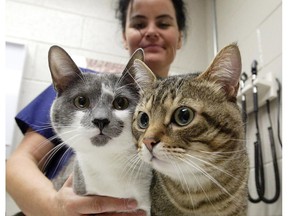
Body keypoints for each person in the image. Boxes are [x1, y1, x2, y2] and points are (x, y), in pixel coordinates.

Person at [6, 0, 187, 215]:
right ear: (124, 36)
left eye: (163, 24)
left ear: (180, 38)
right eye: (138, 24)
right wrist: (55, 207)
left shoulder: (191, 107)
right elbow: (16, 165)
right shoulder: (78, 82)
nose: (150, 31)